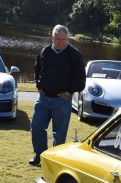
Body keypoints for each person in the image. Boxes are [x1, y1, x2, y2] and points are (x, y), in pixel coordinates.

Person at [29, 25, 86, 166]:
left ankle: (54, 160)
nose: (60, 42)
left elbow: (81, 80)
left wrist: (69, 92)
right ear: (52, 37)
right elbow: (37, 69)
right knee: (36, 126)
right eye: (57, 39)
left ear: (67, 38)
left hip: (62, 101)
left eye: (63, 39)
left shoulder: (75, 55)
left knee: (59, 133)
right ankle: (39, 155)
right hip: (43, 99)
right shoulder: (45, 51)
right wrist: (39, 85)